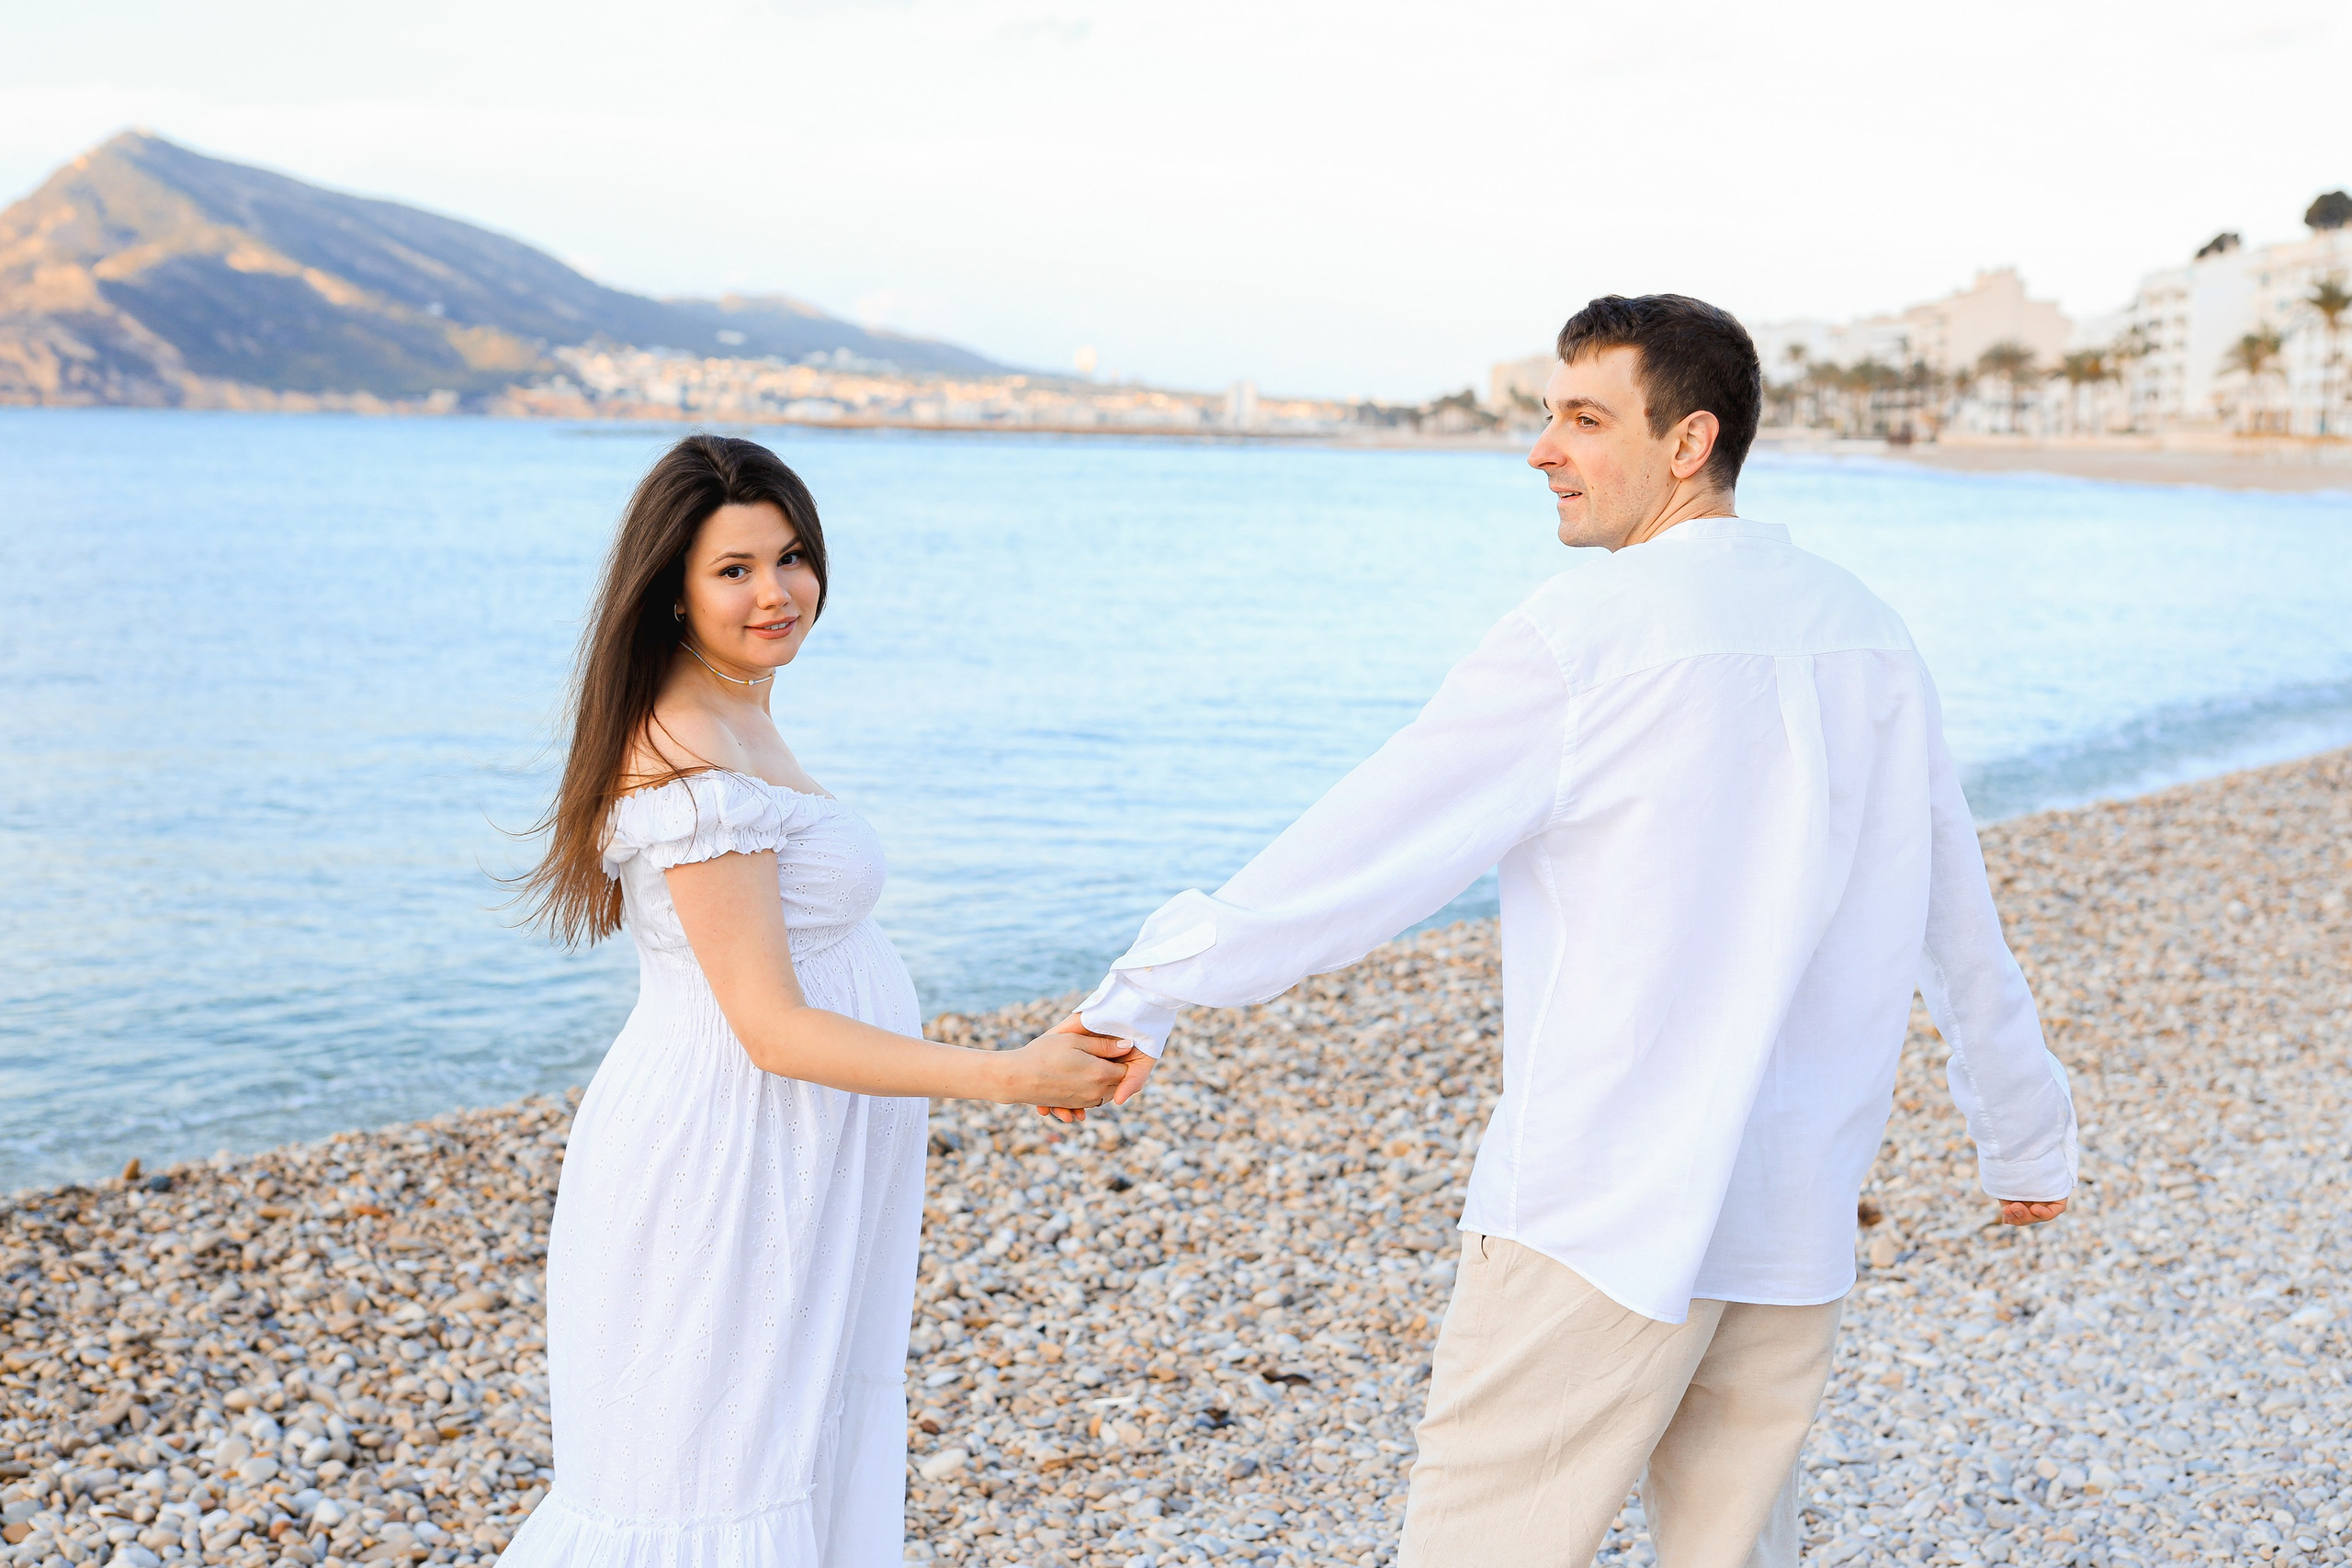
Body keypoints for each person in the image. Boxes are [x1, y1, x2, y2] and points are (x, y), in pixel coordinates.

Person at [1051, 296, 2075, 1567]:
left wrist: (1142, 987)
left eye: (1584, 418)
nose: (1542, 448)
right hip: (1788, 1207)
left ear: (1690, 439)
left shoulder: (1584, 636)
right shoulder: (1864, 625)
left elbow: (1359, 852)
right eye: (1548, 414)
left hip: (1599, 1212)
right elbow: (1952, 904)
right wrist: (2023, 1129)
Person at [503, 434, 1131, 1566]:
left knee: (788, 1445)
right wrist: (1007, 1073)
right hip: (725, 1152)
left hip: (791, 1144)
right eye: (733, 569)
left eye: (791, 556)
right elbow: (770, 1025)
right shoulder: (687, 754)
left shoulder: (736, 710)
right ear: (672, 591)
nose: (777, 591)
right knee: (708, 1475)